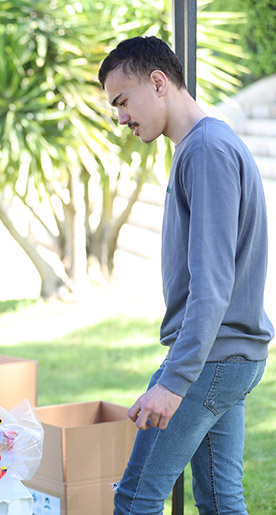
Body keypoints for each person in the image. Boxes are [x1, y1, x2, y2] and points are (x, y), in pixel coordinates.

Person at [98, 35, 271, 514]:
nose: (121, 117)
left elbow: (211, 286)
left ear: (158, 82)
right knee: (220, 500)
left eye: (122, 101)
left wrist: (172, 383)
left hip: (212, 359)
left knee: (135, 501)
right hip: (226, 357)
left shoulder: (207, 150)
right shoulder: (204, 145)